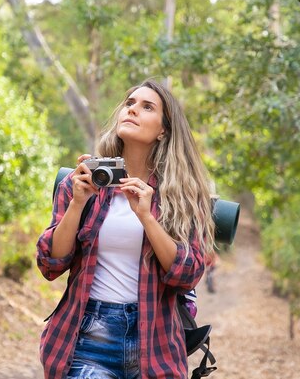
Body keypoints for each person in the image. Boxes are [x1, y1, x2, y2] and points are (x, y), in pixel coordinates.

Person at [36, 78, 215, 379]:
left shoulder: (183, 195)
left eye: (147, 107)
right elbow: (50, 263)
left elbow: (188, 275)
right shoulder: (82, 181)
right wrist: (77, 204)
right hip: (89, 336)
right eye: (129, 103)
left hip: (155, 343)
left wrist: (146, 217)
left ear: (163, 130)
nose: (132, 110)